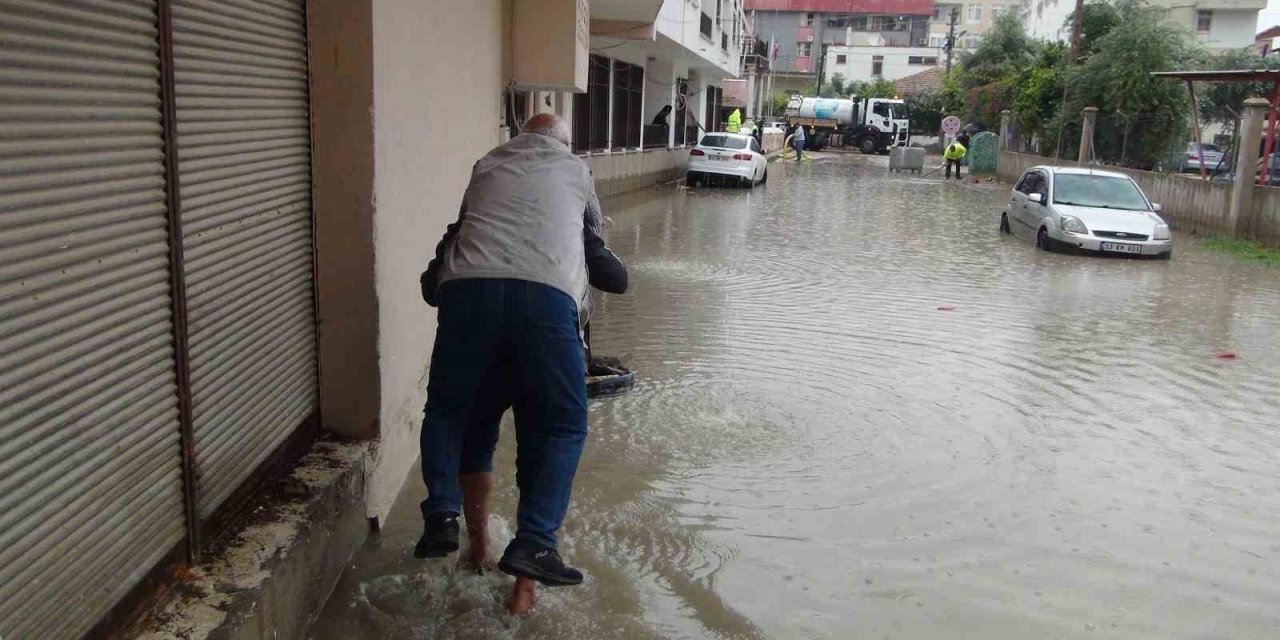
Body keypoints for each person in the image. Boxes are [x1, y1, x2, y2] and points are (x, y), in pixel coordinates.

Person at [417, 113, 628, 615]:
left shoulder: (487, 170)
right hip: (546, 324)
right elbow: (613, 276)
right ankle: (529, 566)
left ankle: (455, 527)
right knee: (555, 433)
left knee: (456, 418)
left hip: (469, 311)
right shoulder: (576, 175)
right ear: (563, 146)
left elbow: (431, 286)